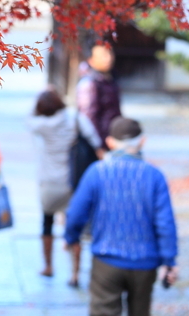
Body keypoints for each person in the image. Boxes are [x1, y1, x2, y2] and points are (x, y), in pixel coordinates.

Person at [65, 117, 178, 316]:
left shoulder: (97, 172)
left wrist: (71, 238)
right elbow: (165, 222)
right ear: (142, 141)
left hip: (106, 259)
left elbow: (76, 213)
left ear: (109, 142)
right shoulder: (154, 176)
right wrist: (169, 261)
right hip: (145, 261)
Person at [28, 88, 104, 286]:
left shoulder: (41, 125)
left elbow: (28, 118)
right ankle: (75, 273)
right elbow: (95, 140)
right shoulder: (74, 118)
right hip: (73, 181)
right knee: (74, 227)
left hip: (48, 184)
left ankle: (48, 266)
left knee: (47, 223)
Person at [76, 44, 122, 146]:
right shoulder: (89, 83)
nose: (108, 58)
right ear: (91, 60)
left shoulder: (110, 78)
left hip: (110, 138)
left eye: (110, 54)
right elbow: (88, 117)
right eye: (103, 55)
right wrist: (98, 145)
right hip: (97, 142)